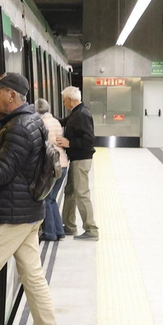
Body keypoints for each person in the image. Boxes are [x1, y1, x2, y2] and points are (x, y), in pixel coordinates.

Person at [0, 72, 62, 325]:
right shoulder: (31, 121)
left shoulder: (18, 127)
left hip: (12, 216)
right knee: (32, 275)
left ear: (13, 96)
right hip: (30, 212)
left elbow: (3, 173)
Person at [58, 86, 97, 240]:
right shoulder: (76, 113)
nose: (64, 104)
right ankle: (69, 225)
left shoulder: (82, 114)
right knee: (70, 192)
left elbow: (89, 140)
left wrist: (70, 143)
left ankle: (91, 229)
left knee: (81, 194)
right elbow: (62, 121)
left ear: (71, 100)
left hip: (82, 159)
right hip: (76, 159)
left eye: (64, 101)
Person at [36, 97, 69, 242]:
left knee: (47, 199)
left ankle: (50, 232)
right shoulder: (55, 121)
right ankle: (59, 230)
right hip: (62, 164)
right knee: (52, 199)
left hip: (51, 165)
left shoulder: (42, 123)